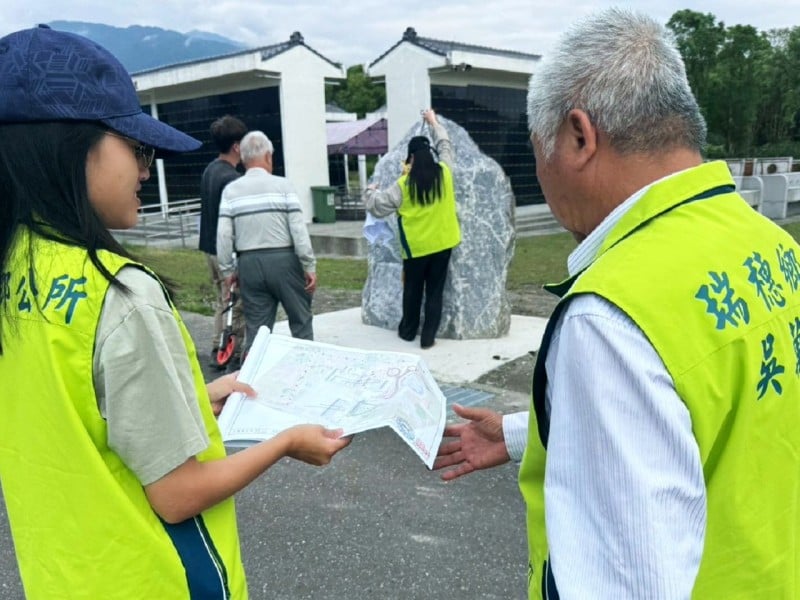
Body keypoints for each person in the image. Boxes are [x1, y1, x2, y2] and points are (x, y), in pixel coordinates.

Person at [434, 8, 800, 599]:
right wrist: (533, 433)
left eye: (537, 150)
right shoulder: (768, 243)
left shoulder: (610, 316)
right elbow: (714, 407)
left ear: (579, 136)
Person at [0, 25, 350, 599]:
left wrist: (194, 395)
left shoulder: (14, 264)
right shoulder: (118, 293)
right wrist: (286, 441)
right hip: (152, 577)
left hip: (62, 573)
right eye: (136, 149)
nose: (146, 169)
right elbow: (178, 492)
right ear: (70, 145)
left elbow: (76, 409)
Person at [363, 109, 460, 349]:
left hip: (415, 249)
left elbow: (377, 207)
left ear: (411, 159)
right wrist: (434, 121)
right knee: (435, 292)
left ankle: (407, 332)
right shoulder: (445, 173)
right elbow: (445, 144)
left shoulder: (403, 185)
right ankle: (428, 338)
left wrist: (370, 191)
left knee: (413, 291)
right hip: (443, 244)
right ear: (430, 155)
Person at [217, 131, 317, 347]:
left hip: (249, 264)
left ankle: (251, 378)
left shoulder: (230, 191)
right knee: (301, 322)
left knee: (257, 330)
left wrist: (227, 271)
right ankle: (305, 373)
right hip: (285, 261)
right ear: (269, 156)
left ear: (242, 159)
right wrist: (309, 264)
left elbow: (224, 235)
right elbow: (298, 229)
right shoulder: (284, 186)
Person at [199, 115, 248, 368]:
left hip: (208, 248)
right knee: (236, 303)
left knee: (222, 299)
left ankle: (217, 346)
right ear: (237, 146)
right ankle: (233, 351)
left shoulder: (210, 170)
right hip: (225, 251)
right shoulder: (232, 179)